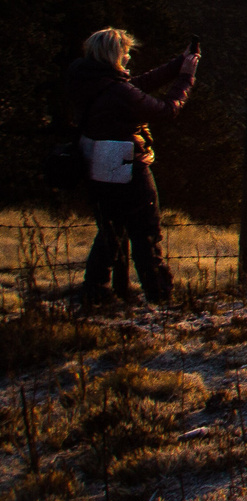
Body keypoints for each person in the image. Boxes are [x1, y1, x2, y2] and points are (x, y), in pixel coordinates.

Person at [67, 28, 198, 307]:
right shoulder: (117, 90)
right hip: (124, 159)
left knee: (111, 228)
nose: (128, 57)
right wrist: (186, 77)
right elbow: (167, 110)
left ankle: (96, 292)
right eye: (125, 52)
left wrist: (178, 64)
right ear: (115, 55)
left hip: (96, 156)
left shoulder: (88, 79)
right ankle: (159, 297)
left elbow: (134, 87)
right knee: (145, 230)